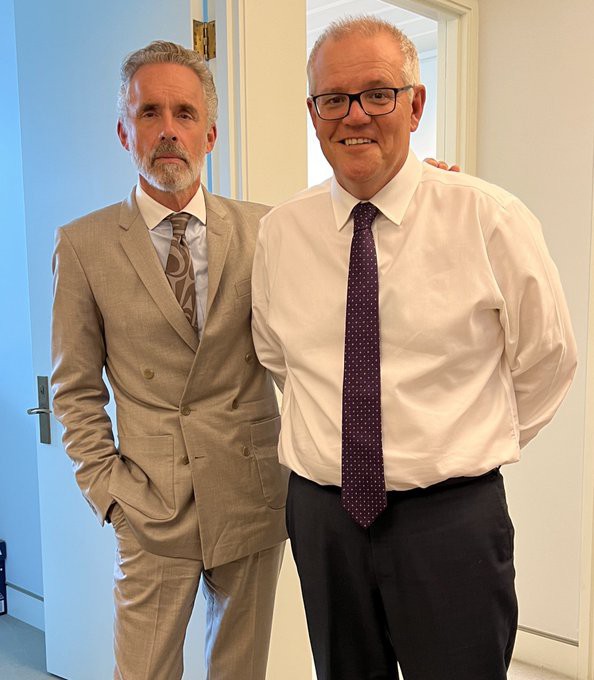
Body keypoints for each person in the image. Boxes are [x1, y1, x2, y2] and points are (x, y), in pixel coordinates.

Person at [251, 16, 577, 680]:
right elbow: (279, 356)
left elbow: (548, 359)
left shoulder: (488, 218)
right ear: (313, 114)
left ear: (415, 104)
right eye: (333, 99)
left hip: (450, 521)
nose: (355, 115)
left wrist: (462, 439)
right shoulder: (281, 232)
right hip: (323, 519)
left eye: (378, 93)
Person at [51, 40, 288, 680]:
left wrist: (426, 190)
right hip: (151, 502)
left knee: (241, 672)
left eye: (184, 113)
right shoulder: (83, 245)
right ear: (123, 131)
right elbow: (74, 389)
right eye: (148, 112)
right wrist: (109, 494)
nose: (167, 130)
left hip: (250, 491)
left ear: (209, 133)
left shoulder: (268, 229)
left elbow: (322, 319)